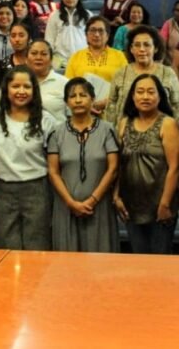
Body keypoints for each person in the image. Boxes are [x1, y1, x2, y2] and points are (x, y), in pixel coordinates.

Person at [0, 66, 59, 250]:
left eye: (26, 87)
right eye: (15, 86)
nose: (21, 91)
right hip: (3, 189)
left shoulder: (46, 120)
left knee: (37, 244)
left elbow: (55, 161)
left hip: (37, 188)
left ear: (34, 90)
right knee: (5, 245)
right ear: (6, 89)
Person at [47, 78, 120, 253]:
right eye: (73, 96)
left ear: (93, 99)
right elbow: (53, 171)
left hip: (100, 207)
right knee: (67, 264)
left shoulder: (107, 130)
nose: (78, 100)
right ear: (66, 102)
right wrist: (71, 203)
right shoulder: (56, 133)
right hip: (66, 207)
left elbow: (113, 168)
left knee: (101, 264)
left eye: (83, 95)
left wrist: (92, 200)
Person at [114, 73, 179, 254]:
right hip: (131, 204)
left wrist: (165, 204)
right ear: (132, 96)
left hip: (160, 204)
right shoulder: (123, 123)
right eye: (140, 92)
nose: (145, 97)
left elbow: (175, 167)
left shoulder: (168, 124)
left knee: (159, 261)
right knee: (138, 259)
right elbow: (118, 164)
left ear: (160, 96)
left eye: (151, 92)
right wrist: (116, 196)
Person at [105, 25, 179, 123]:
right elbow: (111, 105)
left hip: (162, 133)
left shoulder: (168, 73)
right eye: (137, 45)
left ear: (155, 48)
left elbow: (177, 106)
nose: (142, 49)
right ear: (131, 49)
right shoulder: (121, 73)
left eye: (147, 45)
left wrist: (174, 130)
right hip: (124, 133)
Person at [64, 17, 127, 105]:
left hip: (111, 106)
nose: (97, 34)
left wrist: (106, 102)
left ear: (107, 36)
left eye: (101, 31)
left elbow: (125, 85)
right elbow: (69, 86)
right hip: (81, 106)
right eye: (92, 30)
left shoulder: (119, 56)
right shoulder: (76, 57)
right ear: (86, 35)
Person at [45, 0, 90, 70]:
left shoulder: (88, 15)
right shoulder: (54, 16)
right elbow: (49, 39)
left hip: (83, 61)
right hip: (60, 62)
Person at [24, 39, 69, 121]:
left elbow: (74, 117)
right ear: (26, 59)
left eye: (44, 54)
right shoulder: (15, 82)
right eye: (34, 53)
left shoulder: (65, 83)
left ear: (51, 60)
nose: (38, 57)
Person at [0, 22, 31, 94]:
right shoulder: (2, 64)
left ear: (29, 38)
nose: (17, 39)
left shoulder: (35, 63)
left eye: (21, 35)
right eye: (13, 36)